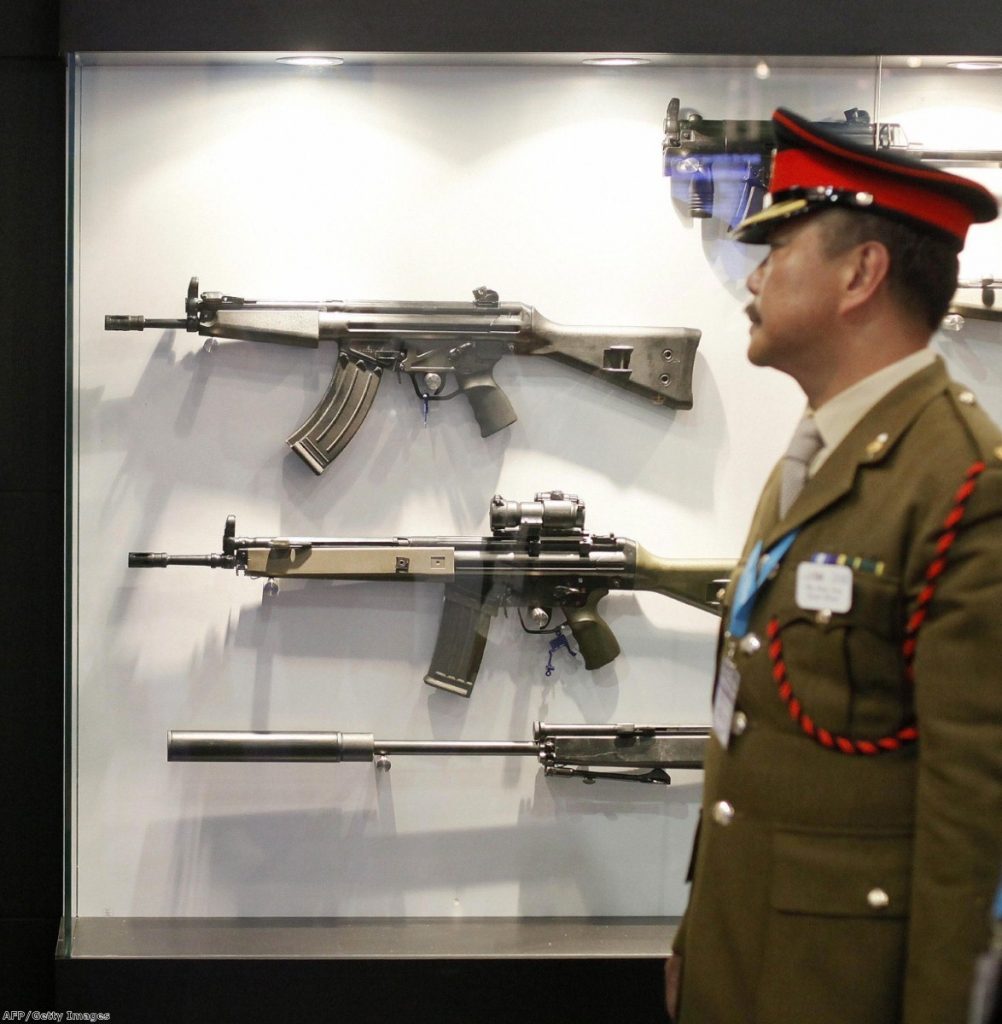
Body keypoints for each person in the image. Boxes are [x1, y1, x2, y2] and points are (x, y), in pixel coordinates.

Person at [665, 107, 1002, 1024]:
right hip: (751, 959)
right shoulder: (814, 452)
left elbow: (976, 817)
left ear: (861, 273)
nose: (755, 275)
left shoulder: (966, 480)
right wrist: (702, 941)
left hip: (845, 984)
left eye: (781, 247)